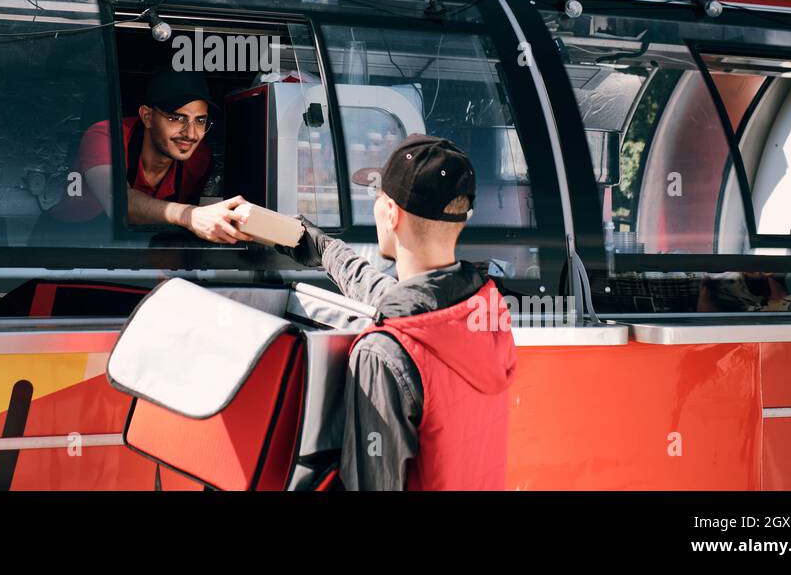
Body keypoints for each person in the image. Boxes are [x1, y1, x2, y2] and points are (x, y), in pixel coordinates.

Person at [285, 135, 515, 490]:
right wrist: (326, 249)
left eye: (378, 196)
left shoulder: (381, 354)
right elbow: (406, 303)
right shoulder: (485, 311)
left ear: (391, 213)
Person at [45, 68, 252, 245]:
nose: (190, 134)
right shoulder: (105, 135)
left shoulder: (200, 159)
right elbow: (118, 203)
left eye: (199, 121)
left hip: (140, 251)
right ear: (147, 116)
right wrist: (190, 214)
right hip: (65, 245)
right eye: (176, 118)